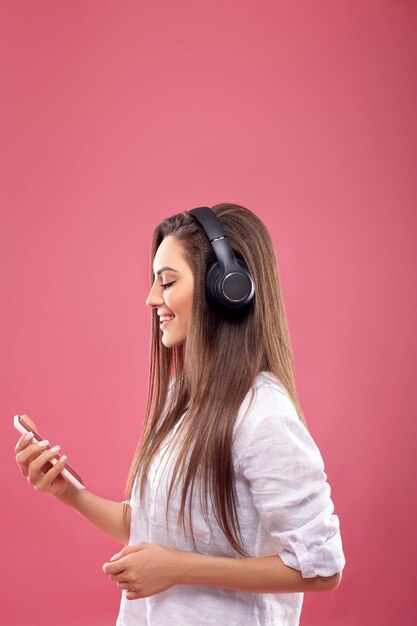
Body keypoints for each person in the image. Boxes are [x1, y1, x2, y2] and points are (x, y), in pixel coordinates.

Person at [15, 203, 346, 625]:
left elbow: (322, 568)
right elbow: (151, 526)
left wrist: (177, 569)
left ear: (226, 289)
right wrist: (67, 493)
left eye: (167, 282)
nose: (152, 298)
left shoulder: (264, 414)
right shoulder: (183, 397)